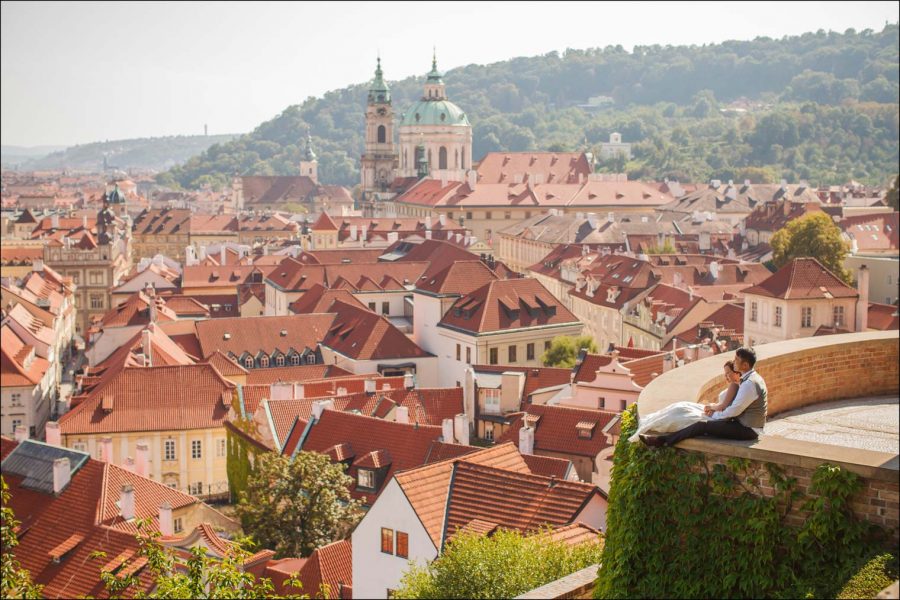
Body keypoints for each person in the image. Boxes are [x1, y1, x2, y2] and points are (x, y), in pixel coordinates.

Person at [639, 347, 767, 447]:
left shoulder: (749, 384)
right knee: (702, 423)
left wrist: (713, 417)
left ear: (745, 365)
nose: (734, 362)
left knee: (702, 426)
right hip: (744, 425)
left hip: (748, 430)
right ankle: (663, 439)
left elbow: (734, 411)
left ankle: (663, 441)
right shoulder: (751, 378)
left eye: (737, 360)